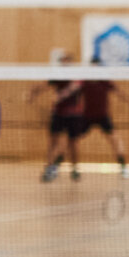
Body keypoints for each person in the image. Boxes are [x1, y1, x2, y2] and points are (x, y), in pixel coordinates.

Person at [32, 54, 85, 182]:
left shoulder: (78, 78)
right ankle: (49, 169)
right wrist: (34, 92)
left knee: (73, 143)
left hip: (74, 115)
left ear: (71, 63)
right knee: (53, 142)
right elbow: (45, 85)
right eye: (62, 62)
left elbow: (80, 91)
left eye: (67, 62)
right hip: (58, 114)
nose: (64, 64)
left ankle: (75, 169)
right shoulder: (57, 75)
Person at [75, 62, 129, 176]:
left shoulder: (105, 81)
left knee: (115, 140)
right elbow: (74, 96)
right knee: (72, 139)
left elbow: (120, 94)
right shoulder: (84, 82)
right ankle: (63, 166)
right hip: (86, 117)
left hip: (103, 117)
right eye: (92, 68)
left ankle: (123, 167)